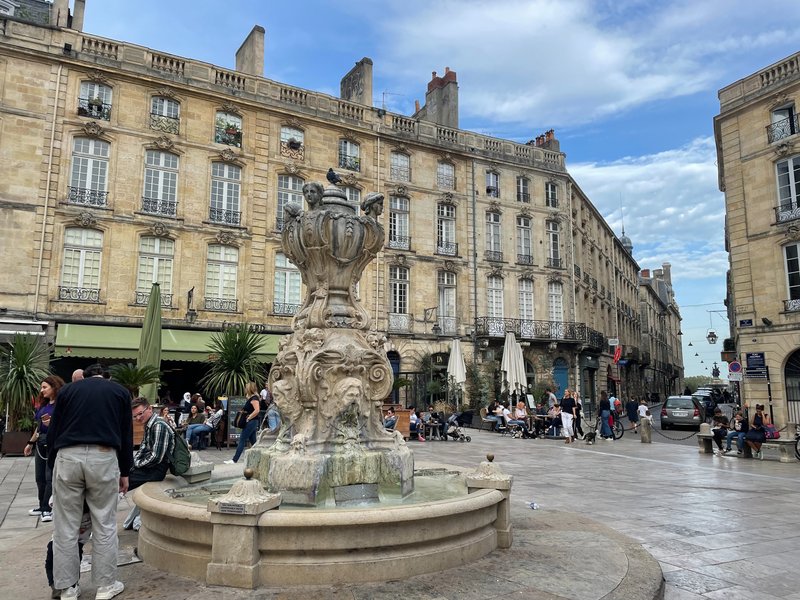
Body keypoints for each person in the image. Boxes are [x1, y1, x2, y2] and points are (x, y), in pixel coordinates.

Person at [47, 362, 132, 600]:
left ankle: (67, 588)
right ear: (107, 377)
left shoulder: (67, 391)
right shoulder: (119, 392)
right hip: (104, 456)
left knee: (65, 527)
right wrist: (125, 471)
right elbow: (126, 434)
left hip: (68, 456)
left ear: (83, 377)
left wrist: (54, 463)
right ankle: (106, 586)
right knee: (104, 523)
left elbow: (54, 430)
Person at [24, 375, 65, 523]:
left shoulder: (61, 405)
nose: (42, 391)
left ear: (54, 387)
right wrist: (30, 443)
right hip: (40, 442)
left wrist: (51, 425)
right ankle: (42, 505)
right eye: (41, 387)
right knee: (39, 477)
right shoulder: (44, 405)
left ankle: (47, 508)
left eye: (45, 387)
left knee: (50, 477)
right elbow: (38, 427)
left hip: (53, 442)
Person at [128, 396, 175, 492]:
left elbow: (156, 457)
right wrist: (134, 463)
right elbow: (143, 448)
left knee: (121, 481)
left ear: (150, 409)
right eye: (135, 416)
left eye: (140, 413)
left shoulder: (159, 426)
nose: (138, 418)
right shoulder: (149, 424)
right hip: (149, 466)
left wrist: (137, 464)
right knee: (122, 472)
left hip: (156, 470)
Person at [224, 382, 261, 464]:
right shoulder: (252, 398)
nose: (245, 389)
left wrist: (249, 417)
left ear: (249, 388)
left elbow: (257, 410)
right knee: (253, 442)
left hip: (251, 422)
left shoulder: (254, 398)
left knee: (242, 439)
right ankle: (260, 459)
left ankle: (234, 460)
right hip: (253, 422)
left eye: (246, 387)